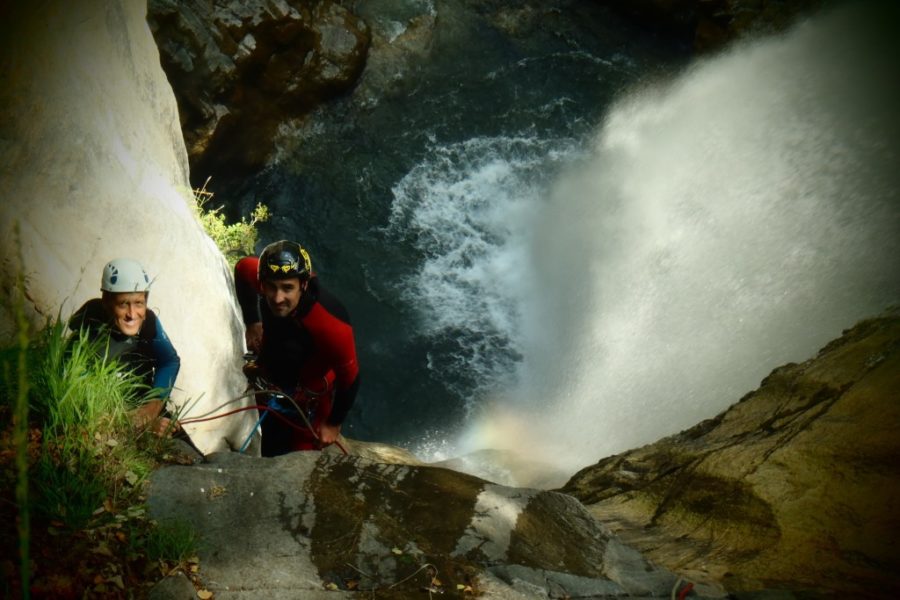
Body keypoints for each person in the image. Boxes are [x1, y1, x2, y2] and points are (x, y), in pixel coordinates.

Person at [234, 240, 359, 456]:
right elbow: (242, 268)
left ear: (303, 285)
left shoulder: (329, 321)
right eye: (271, 287)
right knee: (270, 447)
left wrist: (333, 424)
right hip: (271, 379)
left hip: (308, 398)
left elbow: (350, 377)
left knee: (302, 459)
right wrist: (252, 322)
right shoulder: (262, 277)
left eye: (287, 288)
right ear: (263, 282)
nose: (277, 297)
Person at [68, 258, 181, 436]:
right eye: (123, 304)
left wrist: (154, 404)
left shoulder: (149, 323)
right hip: (110, 424)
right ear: (106, 302)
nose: (131, 314)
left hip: (148, 410)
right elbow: (80, 406)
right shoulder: (87, 335)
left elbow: (169, 361)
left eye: (139, 303)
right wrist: (138, 424)